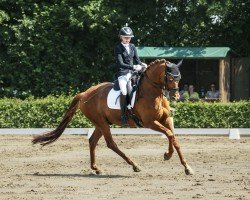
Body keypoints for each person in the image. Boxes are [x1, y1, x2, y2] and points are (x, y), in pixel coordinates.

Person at [115, 26, 147, 126]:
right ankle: (123, 114)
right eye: (125, 37)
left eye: (129, 38)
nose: (127, 39)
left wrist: (142, 64)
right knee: (124, 91)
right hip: (122, 73)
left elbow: (137, 60)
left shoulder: (132, 46)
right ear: (121, 37)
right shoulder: (118, 48)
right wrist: (133, 67)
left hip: (132, 74)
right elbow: (120, 63)